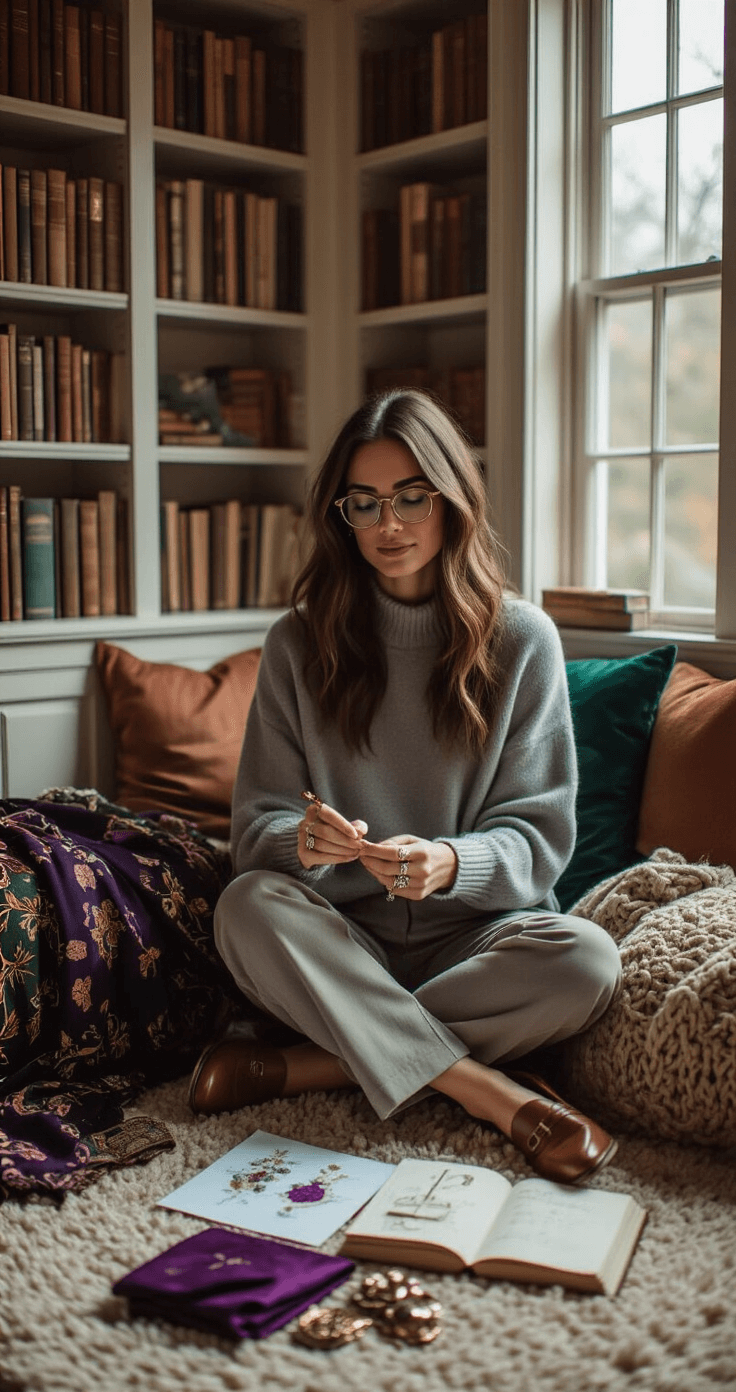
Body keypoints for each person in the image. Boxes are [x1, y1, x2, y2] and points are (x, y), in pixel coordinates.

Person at [189, 390, 622, 1184]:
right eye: (364, 503)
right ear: (341, 516)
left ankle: (310, 1064)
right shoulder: (297, 644)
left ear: (451, 498)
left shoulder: (523, 639)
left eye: (411, 497)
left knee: (588, 961)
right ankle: (489, 1090)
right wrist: (302, 843)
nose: (388, 524)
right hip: (342, 940)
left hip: (476, 943)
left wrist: (453, 863)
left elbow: (541, 840)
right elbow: (254, 833)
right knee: (245, 907)